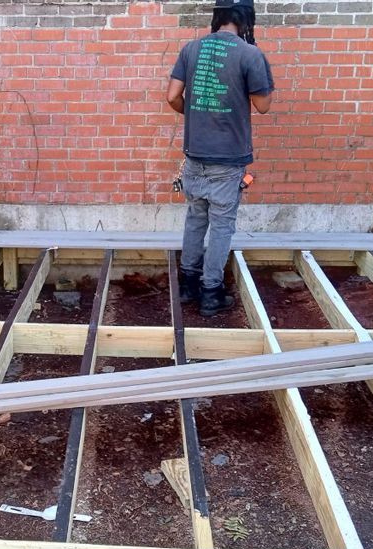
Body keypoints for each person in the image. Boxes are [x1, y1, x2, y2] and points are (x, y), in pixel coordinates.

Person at [167, 0, 274, 317]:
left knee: (195, 218)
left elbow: (173, 96)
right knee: (222, 225)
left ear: (217, 18)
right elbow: (263, 106)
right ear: (245, 19)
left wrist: (196, 117)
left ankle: (188, 283)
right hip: (227, 160)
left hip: (195, 155)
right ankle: (211, 292)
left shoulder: (191, 49)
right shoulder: (250, 54)